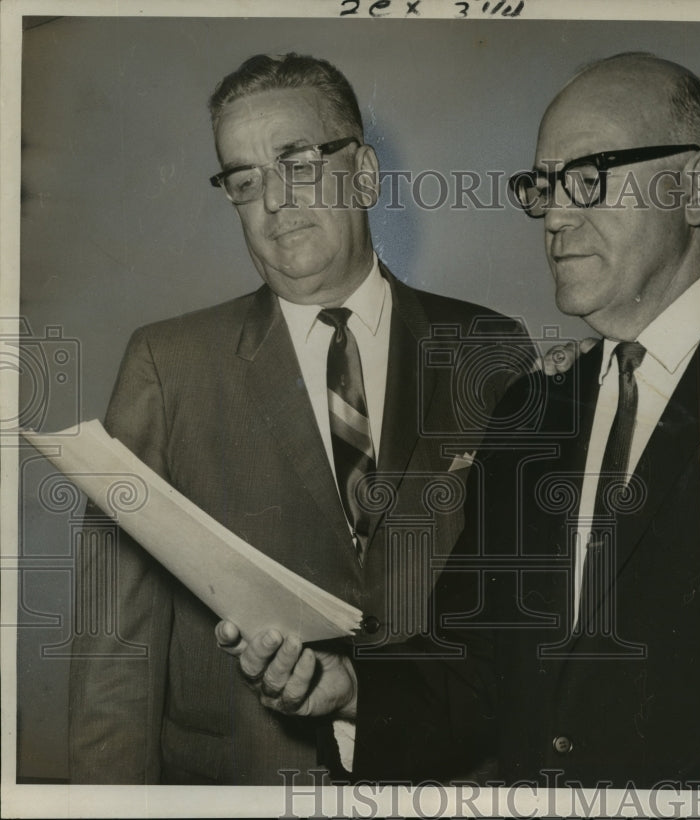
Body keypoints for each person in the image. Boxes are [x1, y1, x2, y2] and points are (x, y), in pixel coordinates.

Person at [219, 52, 700, 791]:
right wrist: (350, 691)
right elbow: (473, 675)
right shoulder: (533, 410)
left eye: (590, 176)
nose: (554, 213)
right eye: (544, 184)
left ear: (699, 187)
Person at [67, 53, 531, 785]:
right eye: (244, 180)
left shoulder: (490, 349)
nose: (274, 202)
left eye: (299, 162)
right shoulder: (167, 364)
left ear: (367, 173)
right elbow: (113, 653)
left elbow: (517, 621)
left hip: (444, 783)